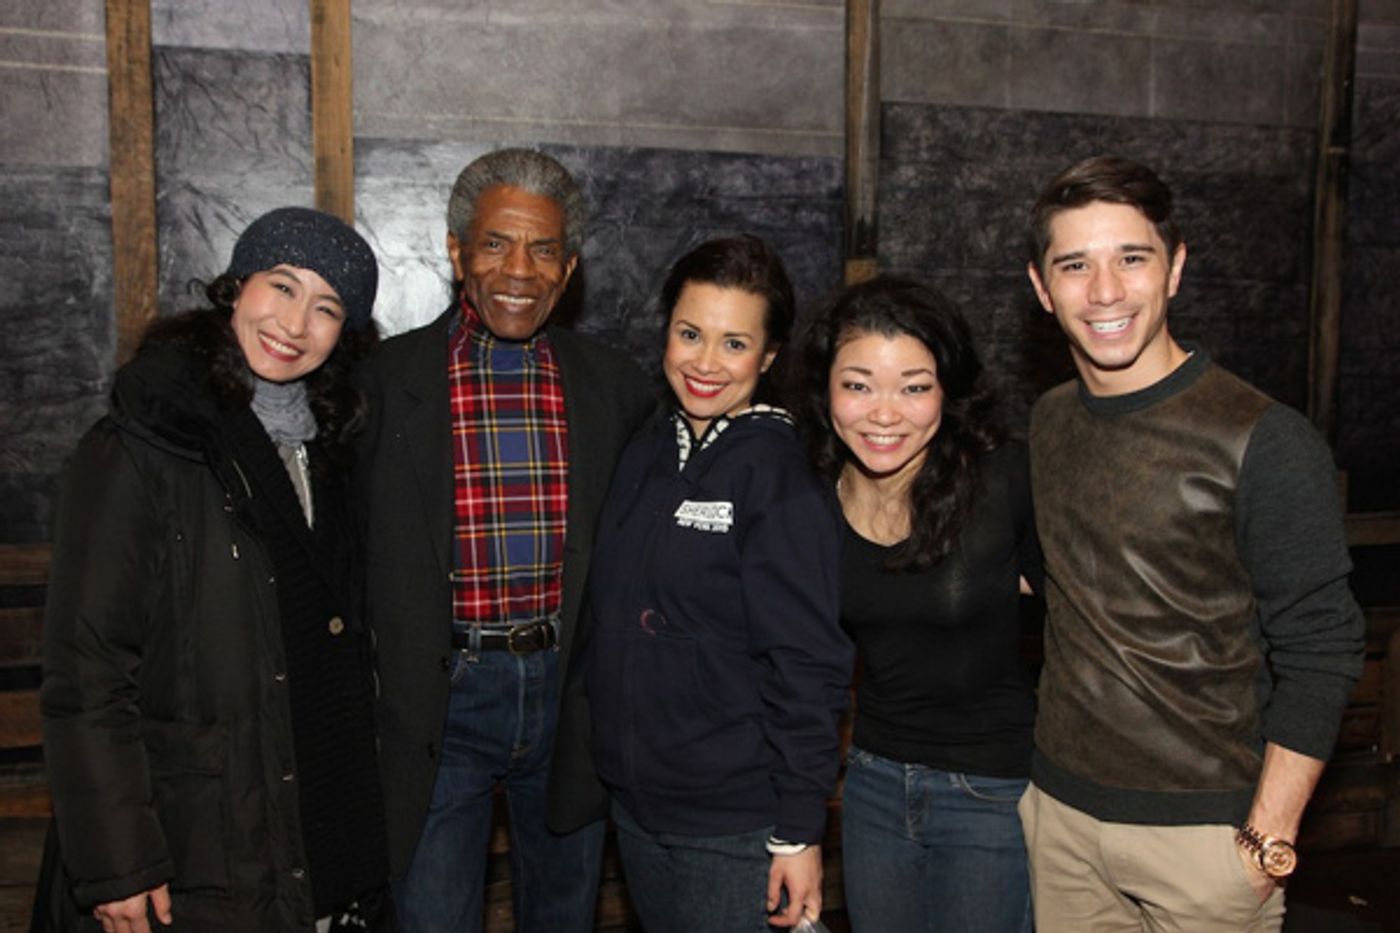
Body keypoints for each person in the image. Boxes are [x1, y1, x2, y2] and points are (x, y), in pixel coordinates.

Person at [1019, 154, 1367, 931]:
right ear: (1042, 288)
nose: (1104, 292)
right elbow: (1070, 577)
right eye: (1075, 265)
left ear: (1175, 269)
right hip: (1061, 822)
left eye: (1131, 258)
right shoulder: (1048, 420)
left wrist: (1265, 841)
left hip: (1207, 838)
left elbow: (1323, 646)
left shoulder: (1263, 438)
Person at [36, 207, 391, 932]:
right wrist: (118, 862)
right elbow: (88, 672)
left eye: (326, 307)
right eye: (282, 286)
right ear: (236, 286)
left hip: (302, 836)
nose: (295, 322)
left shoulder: (332, 446)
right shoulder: (144, 441)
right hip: (189, 837)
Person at [358, 148, 654, 933]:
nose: (519, 269)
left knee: (564, 914)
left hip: (567, 696)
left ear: (571, 266)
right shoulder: (378, 383)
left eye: (544, 248)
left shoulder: (615, 387)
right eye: (495, 243)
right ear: (456, 252)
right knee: (430, 917)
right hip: (438, 701)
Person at [585, 234, 853, 932]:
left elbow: (808, 663)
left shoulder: (778, 474)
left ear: (768, 358)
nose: (706, 362)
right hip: (638, 809)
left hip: (735, 823)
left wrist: (798, 830)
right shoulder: (644, 449)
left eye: (735, 344)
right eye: (690, 334)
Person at [798, 275, 1041, 932]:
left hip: (992, 788)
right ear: (826, 387)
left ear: (948, 390)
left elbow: (1094, 628)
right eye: (858, 384)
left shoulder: (1004, 482)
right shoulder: (813, 490)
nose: (884, 413)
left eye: (914, 385)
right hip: (873, 783)